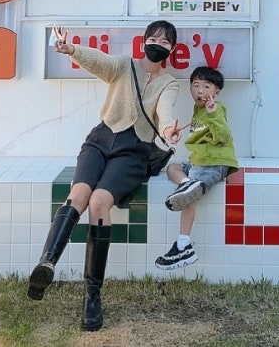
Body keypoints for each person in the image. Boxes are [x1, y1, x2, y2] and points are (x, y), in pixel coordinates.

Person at [28, 20, 184, 331]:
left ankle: (92, 296)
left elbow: (166, 112)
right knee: (79, 194)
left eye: (164, 42)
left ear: (171, 49)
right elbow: (99, 60)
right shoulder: (123, 66)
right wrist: (70, 48)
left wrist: (168, 130)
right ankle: (47, 263)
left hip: (133, 151)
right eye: (153, 38)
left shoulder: (170, 83)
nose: (157, 44)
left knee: (99, 203)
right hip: (99, 140)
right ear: (143, 41)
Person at [155, 65, 239, 270]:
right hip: (199, 161)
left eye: (206, 86)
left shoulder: (216, 109)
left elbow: (223, 137)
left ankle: (183, 245)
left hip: (214, 162)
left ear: (216, 92)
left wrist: (212, 115)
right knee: (173, 168)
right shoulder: (197, 109)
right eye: (195, 85)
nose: (199, 91)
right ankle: (187, 184)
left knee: (191, 194)